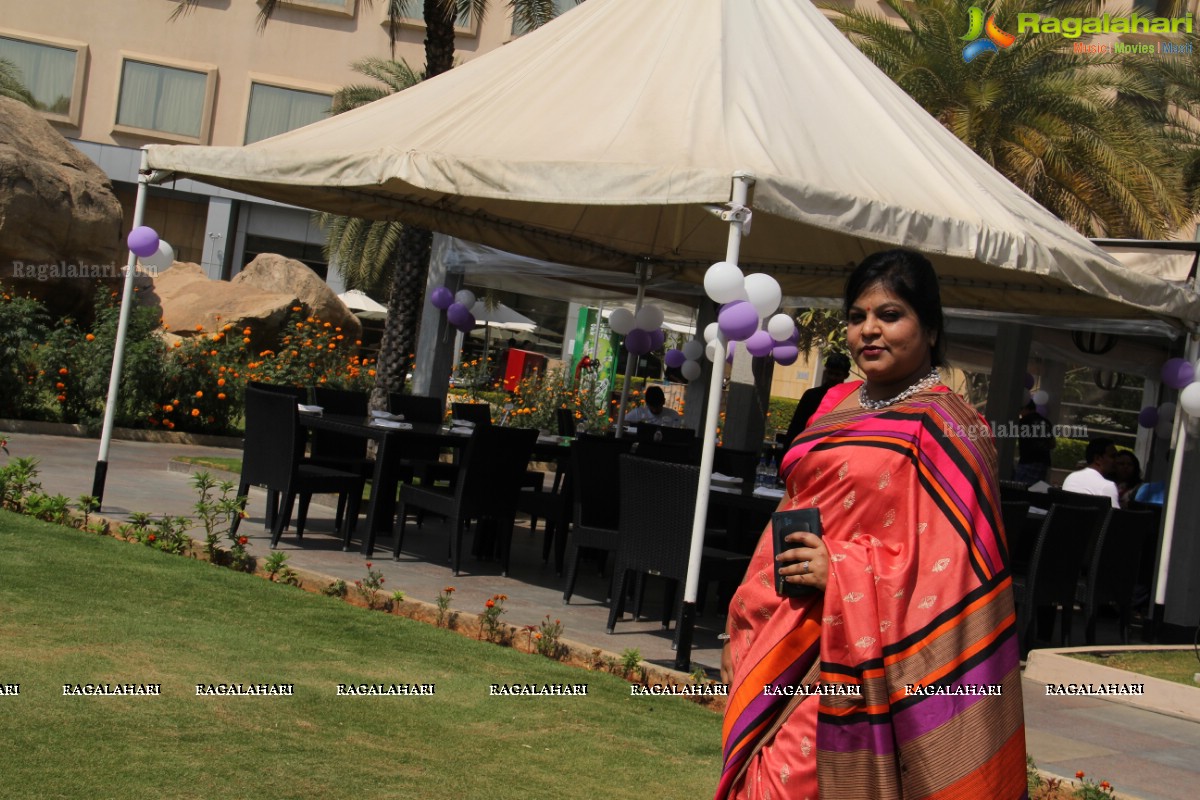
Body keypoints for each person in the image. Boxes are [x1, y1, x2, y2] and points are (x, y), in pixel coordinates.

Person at [717, 249, 1025, 800]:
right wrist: (746, 609)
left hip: (862, 655)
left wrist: (841, 570)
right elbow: (793, 504)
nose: (869, 330)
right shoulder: (835, 404)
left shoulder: (952, 426)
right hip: (779, 623)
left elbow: (954, 573)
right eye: (857, 317)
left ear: (929, 327)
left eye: (890, 314)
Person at [783, 352, 851, 445]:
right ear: (825, 372)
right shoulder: (811, 395)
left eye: (837, 374)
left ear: (846, 376)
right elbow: (796, 427)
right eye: (830, 373)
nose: (832, 377)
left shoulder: (849, 399)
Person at [1061, 438, 1120, 508]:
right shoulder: (1107, 486)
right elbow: (1114, 517)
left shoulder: (1071, 477)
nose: (1117, 460)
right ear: (1097, 458)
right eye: (1112, 456)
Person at [1014, 399, 1056, 484]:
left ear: (1026, 409)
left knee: (1020, 489)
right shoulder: (1046, 422)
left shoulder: (1024, 421)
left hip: (1027, 461)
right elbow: (1052, 444)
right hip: (1043, 463)